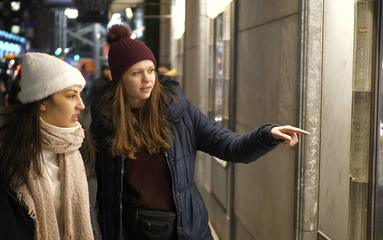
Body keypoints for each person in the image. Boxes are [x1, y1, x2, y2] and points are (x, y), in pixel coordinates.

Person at [89, 24, 310, 240]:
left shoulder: (178, 112)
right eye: (136, 73)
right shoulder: (105, 122)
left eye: (150, 70)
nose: (147, 79)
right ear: (119, 79)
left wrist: (267, 134)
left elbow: (231, 147)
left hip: (184, 230)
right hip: (128, 230)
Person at [0, 52, 100, 240]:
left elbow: (93, 212)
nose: (81, 105)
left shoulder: (81, 146)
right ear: (42, 101)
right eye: (71, 96)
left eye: (80, 95)